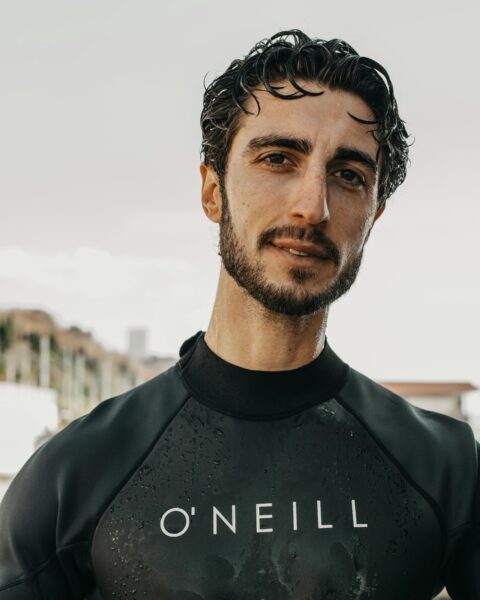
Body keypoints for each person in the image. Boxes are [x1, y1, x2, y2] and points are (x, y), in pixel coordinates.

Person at [0, 29, 478, 600]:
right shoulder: (73, 475)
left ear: (374, 215)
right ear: (212, 191)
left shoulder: (445, 468)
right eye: (278, 159)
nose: (312, 205)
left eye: (349, 175)